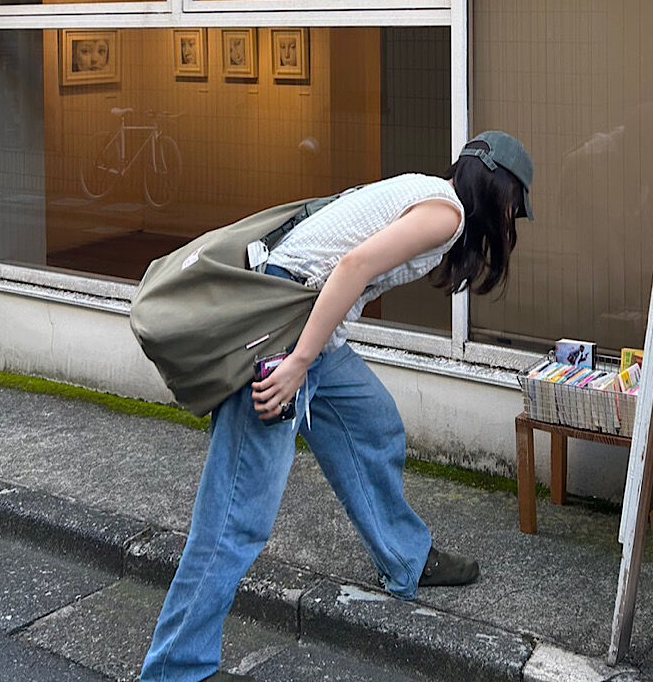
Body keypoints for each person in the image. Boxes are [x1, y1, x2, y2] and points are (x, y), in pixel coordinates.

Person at [139, 130, 535, 682]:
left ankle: (406, 559)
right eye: (516, 206)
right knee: (236, 520)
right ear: (502, 195)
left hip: (310, 331)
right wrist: (299, 363)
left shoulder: (425, 190)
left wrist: (314, 353)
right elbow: (352, 267)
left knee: (373, 424)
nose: (513, 219)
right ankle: (175, 671)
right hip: (284, 336)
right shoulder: (446, 214)